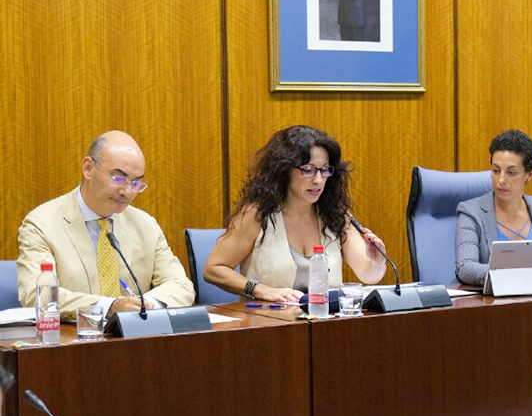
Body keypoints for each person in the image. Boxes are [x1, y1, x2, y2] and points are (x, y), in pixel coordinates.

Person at [17, 131, 194, 320]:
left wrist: (145, 306)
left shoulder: (145, 225)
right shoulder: (42, 224)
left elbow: (181, 285)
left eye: (136, 183)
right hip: (73, 340)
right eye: (119, 178)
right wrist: (109, 307)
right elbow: (36, 295)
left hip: (135, 340)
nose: (127, 192)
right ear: (88, 168)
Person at [204, 125, 386, 302]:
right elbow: (214, 269)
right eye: (308, 170)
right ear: (284, 170)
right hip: (269, 322)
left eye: (324, 170)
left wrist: (376, 261)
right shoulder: (256, 215)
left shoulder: (335, 215)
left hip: (325, 321)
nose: (318, 180)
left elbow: (368, 275)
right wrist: (260, 289)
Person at [454, 129, 532, 286]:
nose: (501, 179)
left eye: (511, 172)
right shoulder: (471, 212)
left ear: (530, 174)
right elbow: (465, 267)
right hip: (492, 303)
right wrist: (514, 276)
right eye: (496, 171)